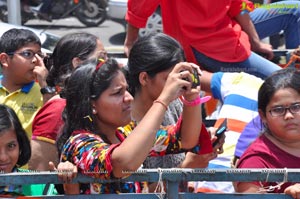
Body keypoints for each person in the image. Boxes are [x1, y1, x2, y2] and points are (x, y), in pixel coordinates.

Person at [57, 57, 208, 194]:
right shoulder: (79, 145)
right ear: (92, 105)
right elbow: (123, 163)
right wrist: (163, 99)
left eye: (126, 90)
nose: (129, 98)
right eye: (117, 93)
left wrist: (191, 96)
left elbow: (185, 139)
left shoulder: (125, 133)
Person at [126, 32, 222, 192]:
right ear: (144, 78)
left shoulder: (176, 103)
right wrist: (185, 167)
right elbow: (138, 191)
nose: (175, 85)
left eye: (179, 77)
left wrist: (206, 141)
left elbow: (188, 142)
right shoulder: (123, 123)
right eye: (168, 79)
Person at [124, 1, 300, 78]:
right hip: (206, 44)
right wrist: (131, 41)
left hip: (230, 25)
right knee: (286, 81)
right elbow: (140, 5)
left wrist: (255, 41)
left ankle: (294, 65)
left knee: (295, 9)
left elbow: (239, 6)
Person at [29, 32, 108, 171]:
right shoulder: (57, 109)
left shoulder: (91, 101)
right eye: (101, 57)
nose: (109, 64)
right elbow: (38, 172)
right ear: (77, 63)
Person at [235, 68, 300, 198]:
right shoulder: (256, 162)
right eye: (278, 110)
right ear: (263, 115)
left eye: (296, 107)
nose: (288, 115)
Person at [0, 104, 76, 196]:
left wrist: (69, 183)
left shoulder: (39, 185)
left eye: (11, 146)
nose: (3, 157)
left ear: (20, 144)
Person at [0, 28, 49, 139]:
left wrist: (46, 86)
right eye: (28, 54)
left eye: (39, 55)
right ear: (5, 60)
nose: (36, 60)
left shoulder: (44, 92)